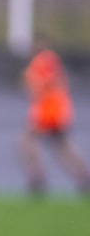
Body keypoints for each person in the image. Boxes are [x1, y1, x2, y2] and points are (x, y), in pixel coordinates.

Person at [19, 42, 90, 196]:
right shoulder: (44, 61)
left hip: (50, 113)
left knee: (28, 142)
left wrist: (31, 82)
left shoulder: (44, 60)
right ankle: (83, 177)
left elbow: (48, 84)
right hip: (51, 112)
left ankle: (37, 180)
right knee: (62, 147)